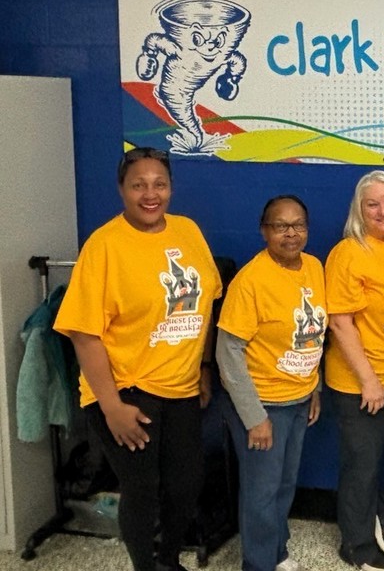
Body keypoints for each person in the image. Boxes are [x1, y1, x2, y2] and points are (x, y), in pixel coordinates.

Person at [54, 147, 222, 571]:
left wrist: (203, 367)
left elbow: (205, 306)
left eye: (159, 184)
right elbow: (84, 332)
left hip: (180, 388)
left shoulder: (187, 232)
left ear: (170, 188)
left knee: (185, 486)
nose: (151, 194)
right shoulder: (104, 245)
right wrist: (111, 406)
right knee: (142, 489)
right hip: (127, 390)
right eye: (138, 185)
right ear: (122, 190)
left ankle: (167, 562)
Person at [216, 195, 326, 571]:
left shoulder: (314, 267)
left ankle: (276, 553)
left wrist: (315, 387)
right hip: (262, 404)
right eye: (280, 226)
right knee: (261, 493)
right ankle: (258, 563)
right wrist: (254, 416)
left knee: (283, 486)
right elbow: (228, 353)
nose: (290, 233)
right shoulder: (251, 280)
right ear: (264, 231)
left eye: (298, 225)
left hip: (298, 399)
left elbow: (312, 333)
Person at [324, 171, 384, 571]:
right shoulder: (348, 253)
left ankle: (383, 518)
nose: (383, 211)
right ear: (358, 211)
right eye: (372, 204)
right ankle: (357, 544)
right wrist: (368, 380)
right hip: (361, 380)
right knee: (362, 466)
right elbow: (341, 323)